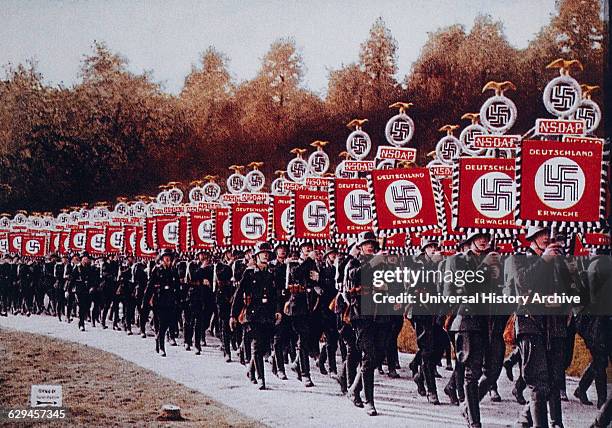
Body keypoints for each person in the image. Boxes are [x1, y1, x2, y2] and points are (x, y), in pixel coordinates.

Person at [507, 226, 573, 428]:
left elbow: (570, 289)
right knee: (537, 381)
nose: (546, 237)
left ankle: (552, 422)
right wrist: (544, 260)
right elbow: (522, 282)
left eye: (548, 234)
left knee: (554, 379)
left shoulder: (559, 260)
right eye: (541, 234)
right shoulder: (519, 259)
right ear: (532, 238)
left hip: (554, 325)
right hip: (531, 324)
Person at [445, 231, 499, 428]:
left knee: (491, 370)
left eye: (486, 235)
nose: (483, 239)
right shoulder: (459, 260)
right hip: (467, 320)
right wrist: (485, 268)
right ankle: (474, 421)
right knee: (471, 372)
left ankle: (467, 406)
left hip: (487, 322)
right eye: (478, 236)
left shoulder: (492, 260)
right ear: (470, 239)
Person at [346, 231, 390, 416]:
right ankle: (369, 400)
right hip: (361, 316)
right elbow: (353, 278)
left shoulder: (382, 263)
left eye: (372, 243)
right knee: (369, 355)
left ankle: (354, 388)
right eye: (366, 243)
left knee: (377, 356)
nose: (370, 246)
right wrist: (373, 263)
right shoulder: (353, 263)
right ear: (360, 246)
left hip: (380, 315)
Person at [230, 242, 277, 390]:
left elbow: (275, 296)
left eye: (267, 254)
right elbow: (238, 295)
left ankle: (251, 369)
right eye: (263, 253)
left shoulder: (271, 273)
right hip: (254, 314)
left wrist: (278, 311)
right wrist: (233, 315)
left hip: (268, 315)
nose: (265, 255)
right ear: (256, 256)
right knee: (256, 345)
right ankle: (261, 378)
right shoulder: (249, 273)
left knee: (264, 346)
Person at [148, 249, 180, 357]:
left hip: (170, 300)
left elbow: (177, 285)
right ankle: (162, 346)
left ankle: (158, 338)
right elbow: (150, 286)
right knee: (161, 323)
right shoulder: (157, 270)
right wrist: (146, 301)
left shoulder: (173, 270)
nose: (168, 259)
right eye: (166, 257)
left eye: (169, 257)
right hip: (159, 300)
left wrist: (178, 299)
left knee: (168, 323)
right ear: (162, 258)